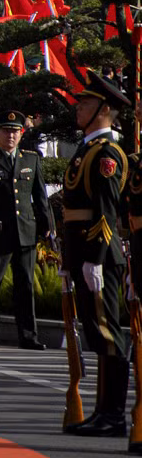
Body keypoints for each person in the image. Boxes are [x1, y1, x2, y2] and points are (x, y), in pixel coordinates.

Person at [57, 72, 131, 436]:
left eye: (85, 104)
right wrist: (69, 259)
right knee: (95, 331)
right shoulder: (87, 150)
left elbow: (105, 210)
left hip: (98, 256)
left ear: (104, 110)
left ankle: (113, 414)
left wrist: (96, 258)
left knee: (107, 334)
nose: (78, 108)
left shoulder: (106, 154)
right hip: (82, 254)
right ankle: (104, 411)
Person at [0, 109, 51, 350]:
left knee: (25, 284)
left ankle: (28, 336)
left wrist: (46, 226)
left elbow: (40, 196)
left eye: (15, 132)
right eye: (6, 131)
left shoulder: (31, 159)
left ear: (21, 133)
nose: (11, 136)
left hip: (26, 230)